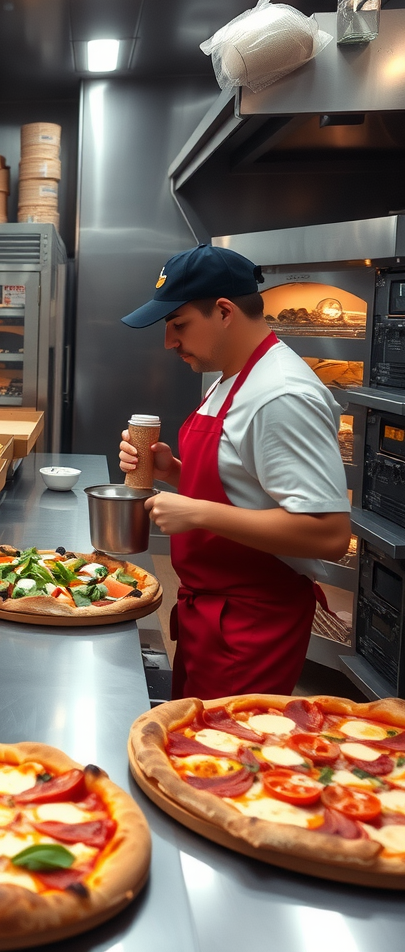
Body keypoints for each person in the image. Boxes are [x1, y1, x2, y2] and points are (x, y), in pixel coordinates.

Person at [118, 243, 351, 699]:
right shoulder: (232, 374)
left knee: (222, 762)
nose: (169, 342)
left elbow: (328, 534)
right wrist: (173, 472)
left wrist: (199, 514)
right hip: (212, 616)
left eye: (177, 324)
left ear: (223, 311)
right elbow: (243, 492)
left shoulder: (281, 395)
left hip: (250, 628)